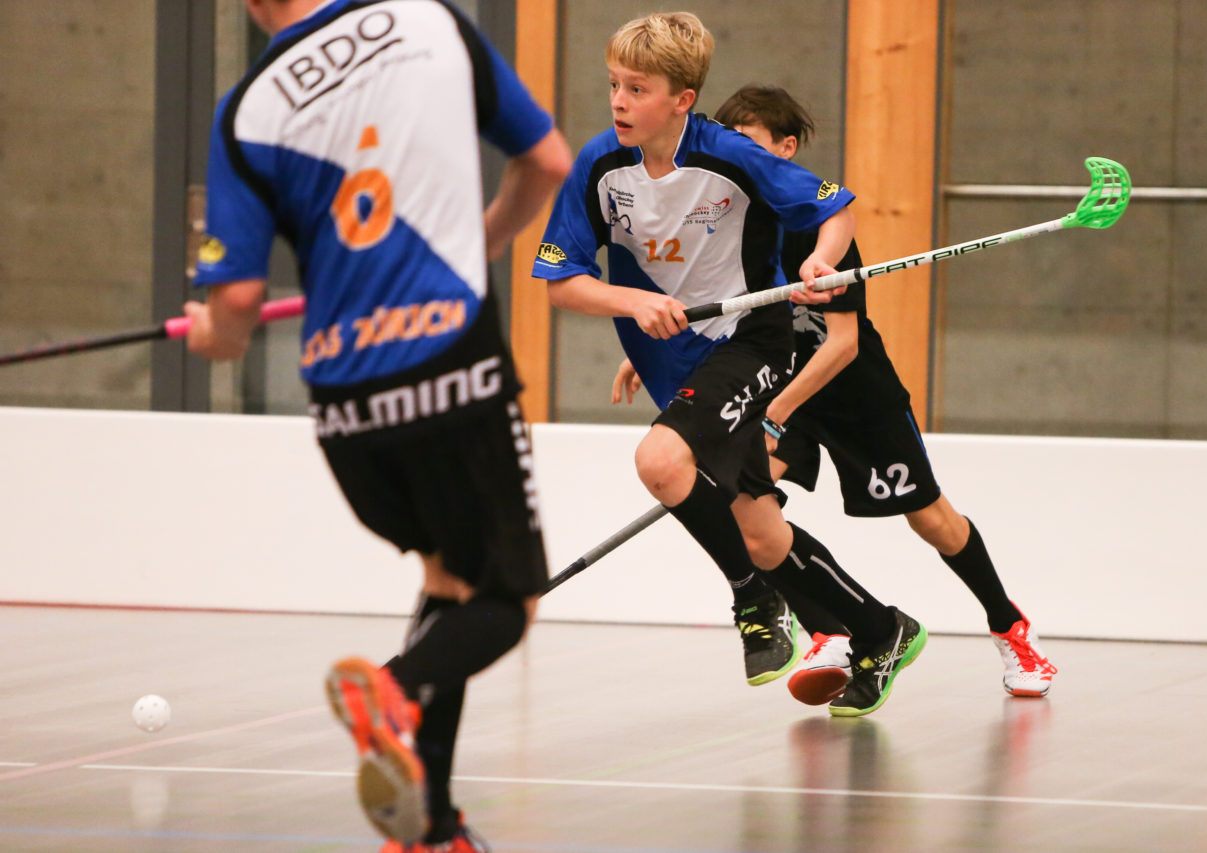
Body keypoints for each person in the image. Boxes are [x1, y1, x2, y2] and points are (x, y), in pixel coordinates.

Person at [184, 1, 571, 851]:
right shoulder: (430, 22)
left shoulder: (245, 110)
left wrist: (212, 334)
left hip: (345, 411)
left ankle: (430, 825)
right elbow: (547, 161)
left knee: (449, 580)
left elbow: (236, 305)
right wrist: (487, 237)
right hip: (452, 370)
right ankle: (389, 691)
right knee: (508, 603)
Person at [532, 12, 926, 719]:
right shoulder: (599, 165)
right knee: (762, 532)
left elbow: (836, 209)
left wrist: (820, 259)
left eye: (638, 88)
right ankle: (878, 628)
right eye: (615, 85)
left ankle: (753, 596)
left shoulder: (730, 156)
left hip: (747, 340)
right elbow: (562, 281)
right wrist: (630, 301)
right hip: (666, 352)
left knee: (660, 460)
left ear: (682, 99)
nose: (619, 101)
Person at [617, 83, 1057, 706]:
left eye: (750, 144)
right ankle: (836, 627)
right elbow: (706, 303)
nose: (737, 158)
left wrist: (777, 412)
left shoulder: (820, 229)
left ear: (786, 149)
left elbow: (842, 345)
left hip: (848, 394)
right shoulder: (728, 218)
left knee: (931, 519)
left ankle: (1009, 626)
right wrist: (648, 353)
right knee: (751, 518)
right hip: (773, 386)